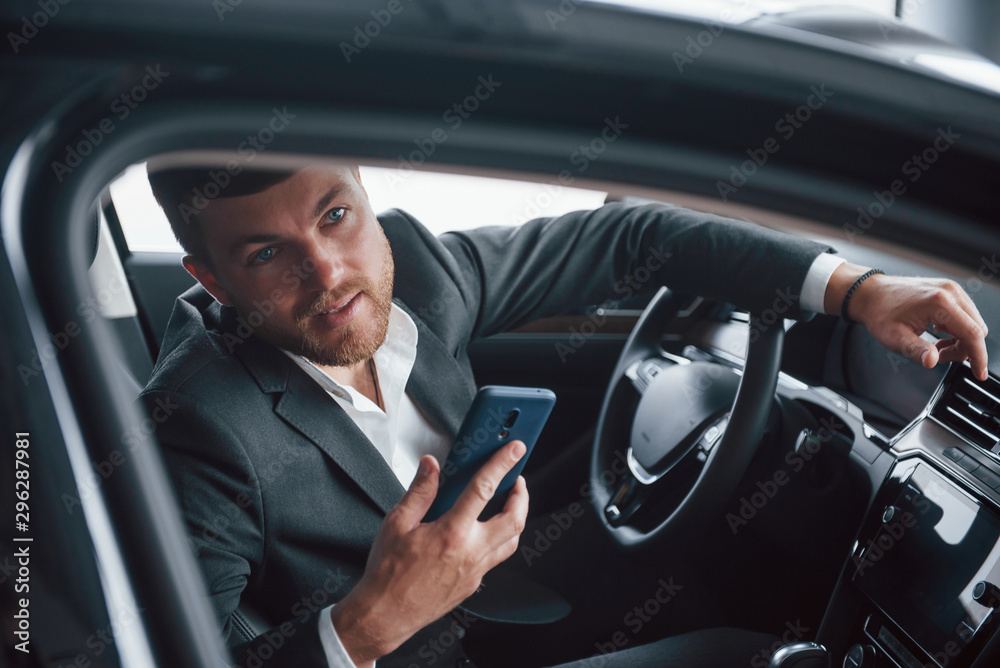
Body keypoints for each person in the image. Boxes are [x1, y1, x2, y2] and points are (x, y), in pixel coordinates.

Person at [142, 163, 988, 668]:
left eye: (336, 216)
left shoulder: (421, 275)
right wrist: (369, 622)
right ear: (211, 281)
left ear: (365, 191)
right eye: (266, 254)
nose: (327, 273)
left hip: (500, 598)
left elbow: (630, 242)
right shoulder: (193, 424)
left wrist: (857, 289)